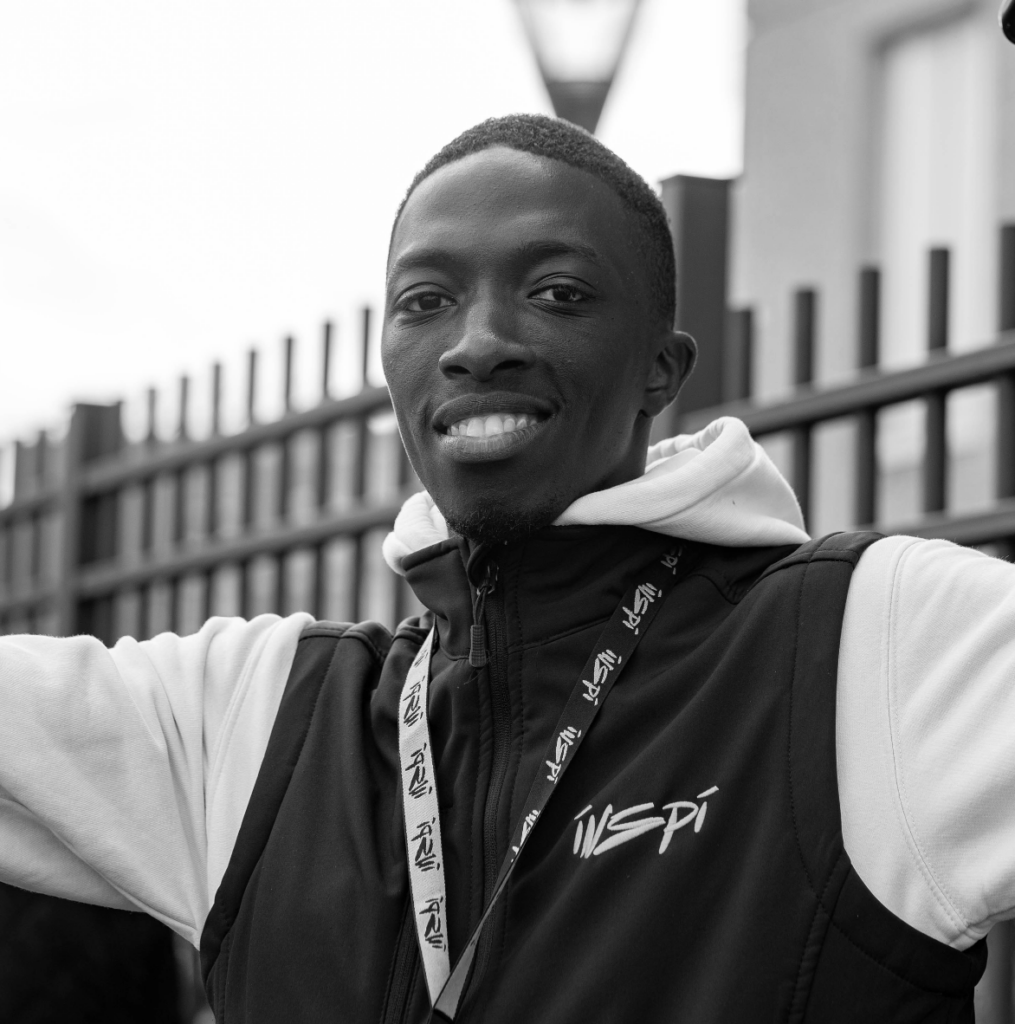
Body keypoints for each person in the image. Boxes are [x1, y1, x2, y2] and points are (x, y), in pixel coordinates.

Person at [1, 113, 1013, 1023]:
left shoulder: (869, 649)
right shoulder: (256, 719)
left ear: (661, 368)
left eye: (557, 292)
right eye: (425, 300)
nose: (477, 343)